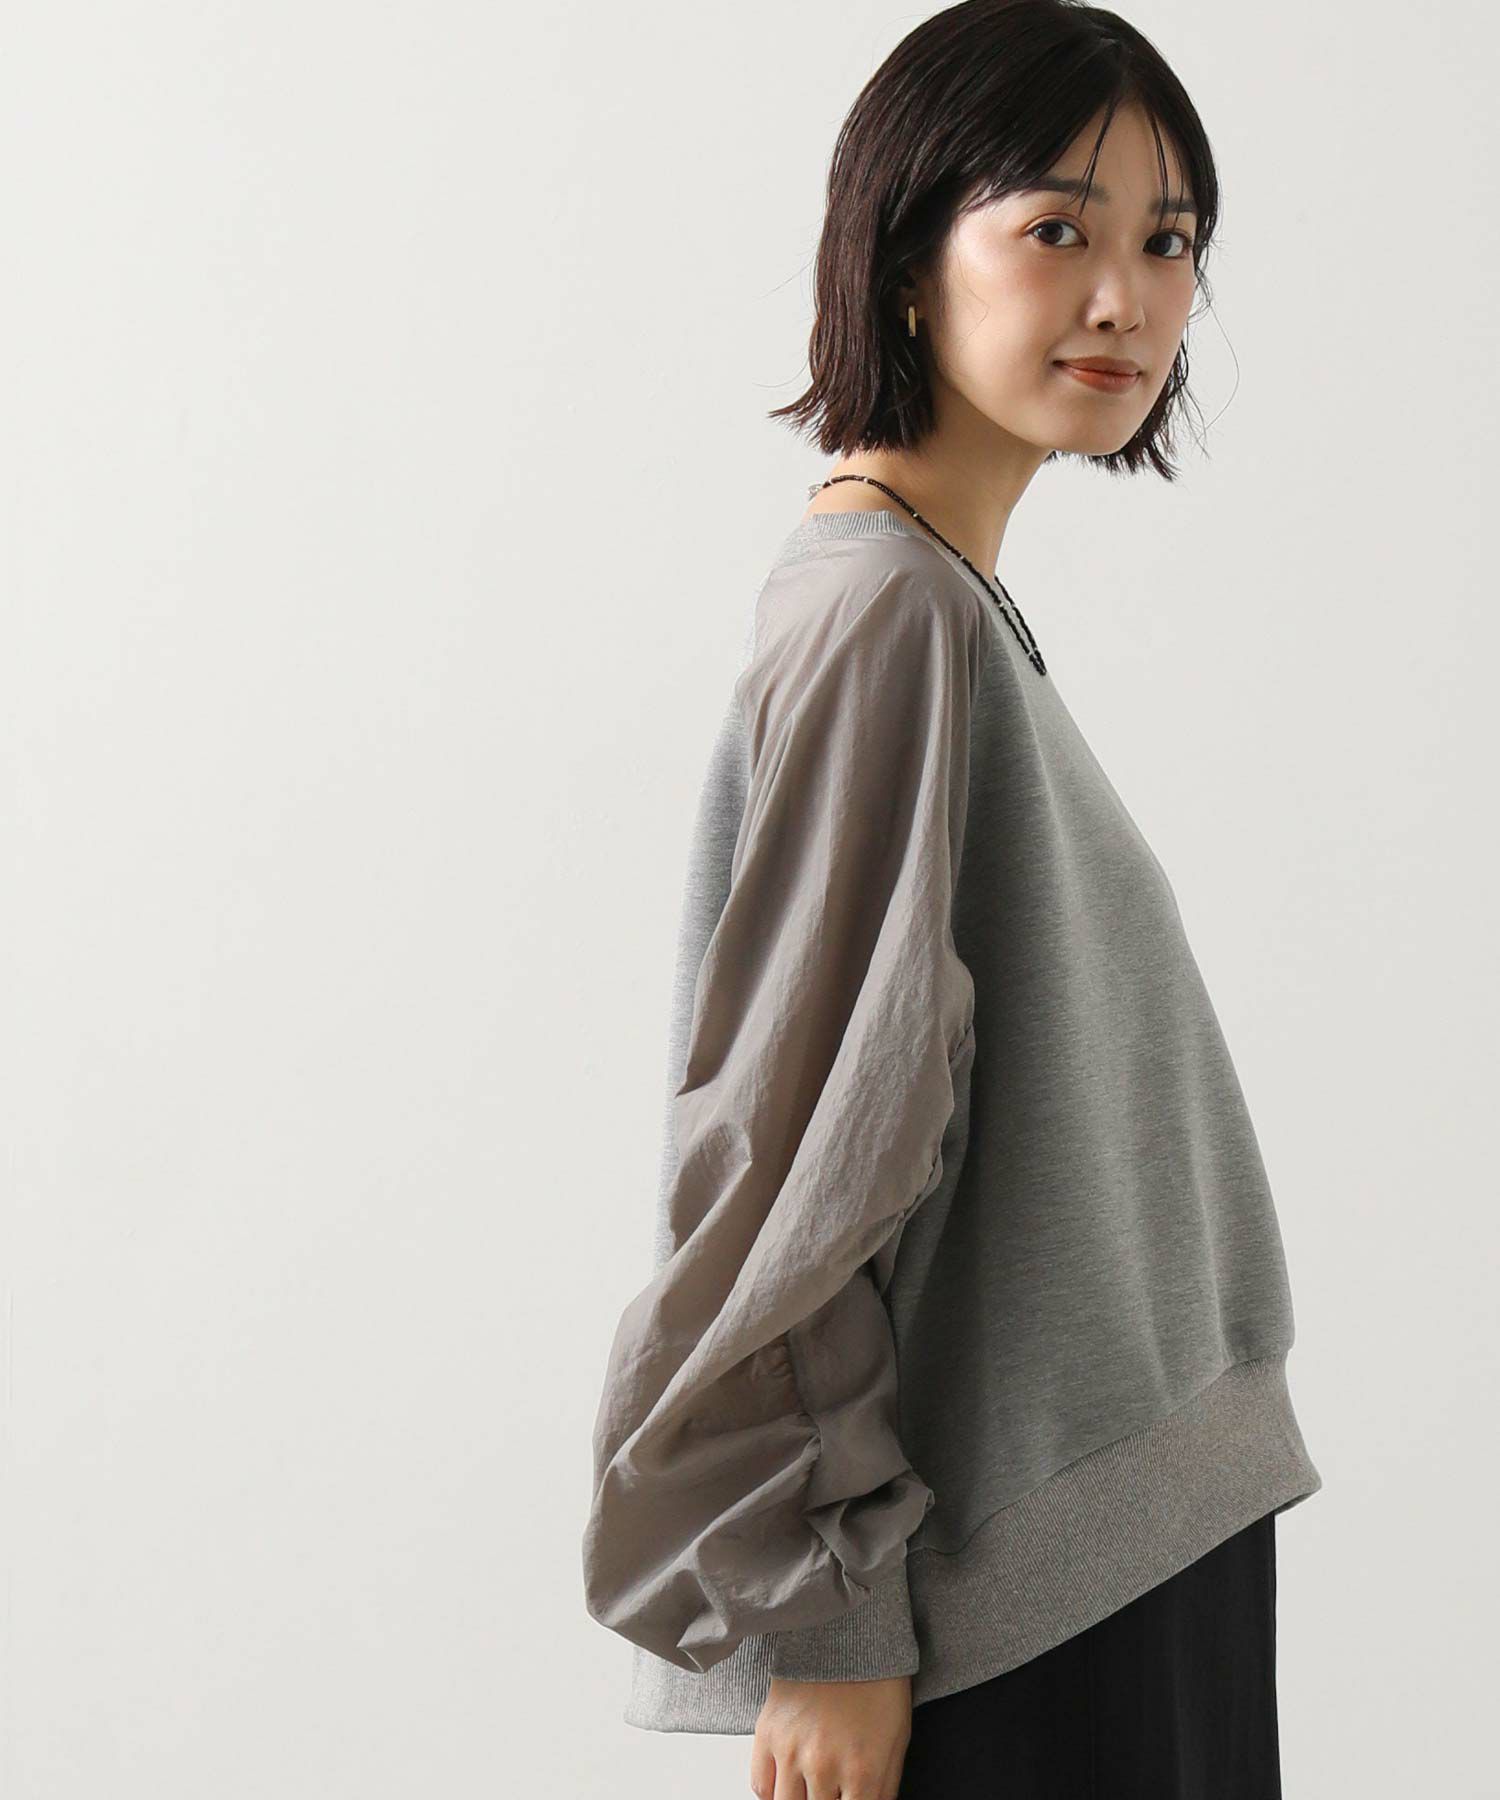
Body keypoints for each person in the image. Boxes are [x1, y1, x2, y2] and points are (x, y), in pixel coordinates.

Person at [582, 2, 1323, 1795]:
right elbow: (792, 1150)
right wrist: (828, 1620)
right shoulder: (885, 617)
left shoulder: (943, 599)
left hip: (1119, 1541)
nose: (1126, 298)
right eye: (1057, 227)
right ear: (907, 261)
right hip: (1023, 1599)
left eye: (1169, 242)